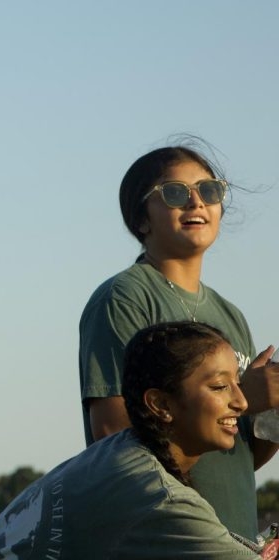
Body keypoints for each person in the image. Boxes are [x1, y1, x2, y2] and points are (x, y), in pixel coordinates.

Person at [79, 144, 279, 537]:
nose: (196, 202)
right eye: (174, 192)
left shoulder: (230, 314)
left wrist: (271, 413)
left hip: (228, 535)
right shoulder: (124, 298)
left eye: (209, 191)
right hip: (161, 535)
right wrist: (243, 396)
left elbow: (237, 457)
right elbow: (113, 437)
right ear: (142, 219)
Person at [0, 322, 266, 558]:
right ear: (161, 405)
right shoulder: (157, 496)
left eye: (238, 385)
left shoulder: (120, 452)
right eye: (219, 386)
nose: (241, 402)